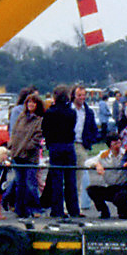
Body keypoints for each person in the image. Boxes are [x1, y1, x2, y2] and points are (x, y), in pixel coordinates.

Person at [86, 130, 127, 219]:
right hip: (109, 186)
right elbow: (88, 162)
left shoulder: (126, 153)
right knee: (91, 190)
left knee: (121, 196)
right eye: (115, 144)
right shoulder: (103, 155)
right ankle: (103, 210)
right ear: (110, 145)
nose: (118, 146)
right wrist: (97, 164)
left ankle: (123, 210)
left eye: (119, 143)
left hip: (121, 187)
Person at [41, 86, 80, 218]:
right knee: (71, 180)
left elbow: (45, 129)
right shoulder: (72, 112)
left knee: (57, 180)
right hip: (69, 145)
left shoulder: (50, 112)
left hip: (55, 146)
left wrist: (49, 141)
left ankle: (57, 209)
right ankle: (73, 209)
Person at [6, 92, 45, 218]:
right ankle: (20, 209)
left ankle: (35, 208)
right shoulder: (21, 118)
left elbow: (38, 137)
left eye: (33, 102)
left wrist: (28, 147)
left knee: (31, 184)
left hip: (30, 157)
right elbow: (14, 133)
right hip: (17, 155)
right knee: (19, 183)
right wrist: (12, 146)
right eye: (29, 102)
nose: (31, 104)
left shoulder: (39, 120)